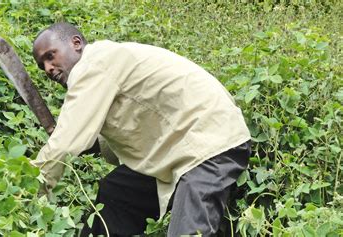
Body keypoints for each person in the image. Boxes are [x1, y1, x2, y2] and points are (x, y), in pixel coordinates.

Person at [31, 22, 251, 237]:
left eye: (50, 56)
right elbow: (124, 126)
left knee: (187, 232)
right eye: (42, 66)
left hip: (208, 146)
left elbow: (66, 141)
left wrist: (28, 187)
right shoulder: (106, 65)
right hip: (181, 148)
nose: (49, 69)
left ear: (76, 43)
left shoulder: (93, 64)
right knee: (115, 193)